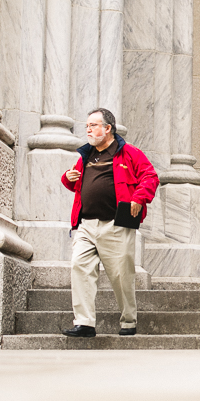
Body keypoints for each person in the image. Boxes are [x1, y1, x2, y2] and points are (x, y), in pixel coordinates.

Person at [60, 108, 159, 337]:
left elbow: (150, 177)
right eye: (87, 126)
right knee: (79, 267)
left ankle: (128, 321)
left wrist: (138, 198)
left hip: (116, 224)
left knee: (121, 276)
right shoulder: (86, 155)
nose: (88, 130)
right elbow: (75, 184)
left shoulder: (129, 153)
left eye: (93, 125)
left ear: (108, 128)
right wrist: (67, 177)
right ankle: (84, 323)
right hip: (85, 224)